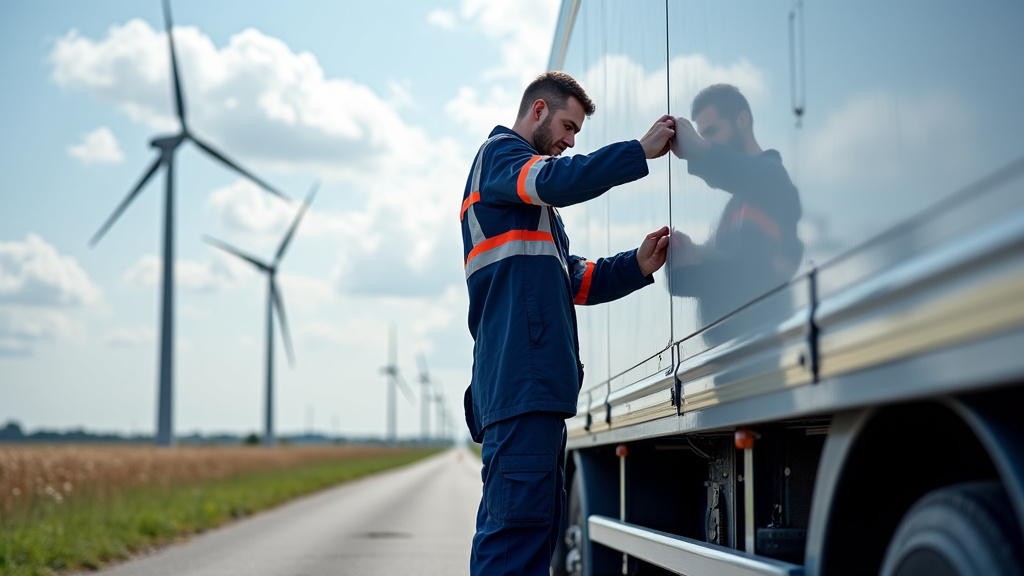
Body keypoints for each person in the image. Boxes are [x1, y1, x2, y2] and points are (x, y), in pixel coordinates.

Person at [460, 71, 676, 575]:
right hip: (522, 384)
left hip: (531, 387)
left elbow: (571, 280)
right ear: (537, 110)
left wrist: (636, 265)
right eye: (567, 125)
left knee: (530, 539)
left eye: (576, 133)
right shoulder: (501, 158)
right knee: (514, 545)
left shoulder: (528, 206)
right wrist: (637, 152)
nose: (570, 140)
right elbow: (560, 178)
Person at [667, 83, 803, 340]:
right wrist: (686, 260)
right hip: (731, 360)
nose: (707, 141)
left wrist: (700, 150)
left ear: (742, 120)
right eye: (702, 135)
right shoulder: (737, 205)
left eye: (712, 131)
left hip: (762, 355)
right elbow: (735, 277)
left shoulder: (773, 178)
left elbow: (758, 279)